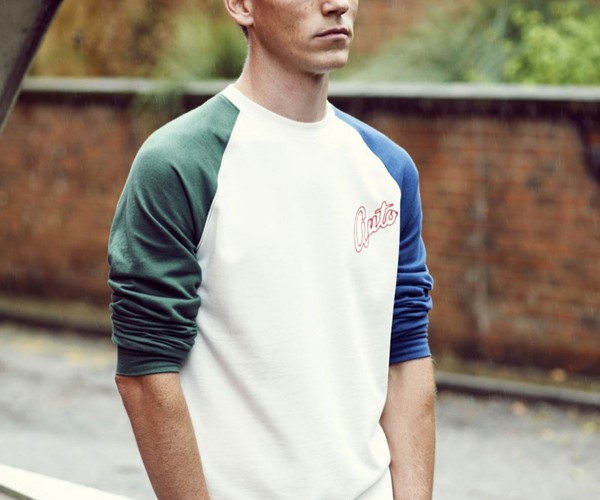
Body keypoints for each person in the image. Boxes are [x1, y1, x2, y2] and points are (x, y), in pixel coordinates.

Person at [108, 0, 436, 499]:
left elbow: (405, 354)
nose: (337, 4)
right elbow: (147, 373)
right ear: (241, 6)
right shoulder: (180, 165)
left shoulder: (388, 170)